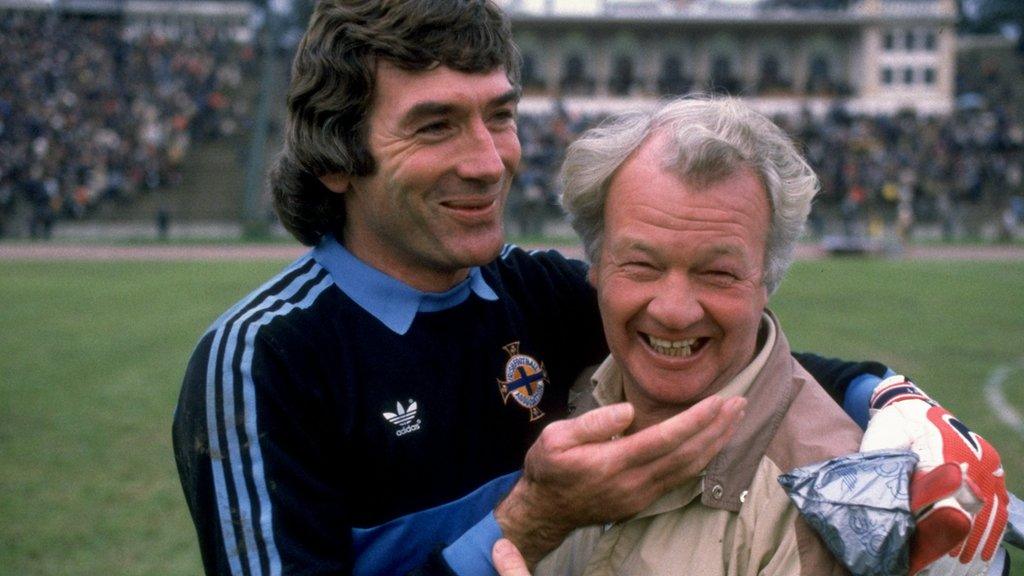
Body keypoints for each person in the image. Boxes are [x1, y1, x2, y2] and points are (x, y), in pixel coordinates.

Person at [172, 2, 1008, 575]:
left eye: (498, 115)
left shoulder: (528, 294)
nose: (487, 158)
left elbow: (727, 341)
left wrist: (893, 402)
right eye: (435, 125)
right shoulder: (266, 359)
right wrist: (528, 518)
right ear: (332, 156)